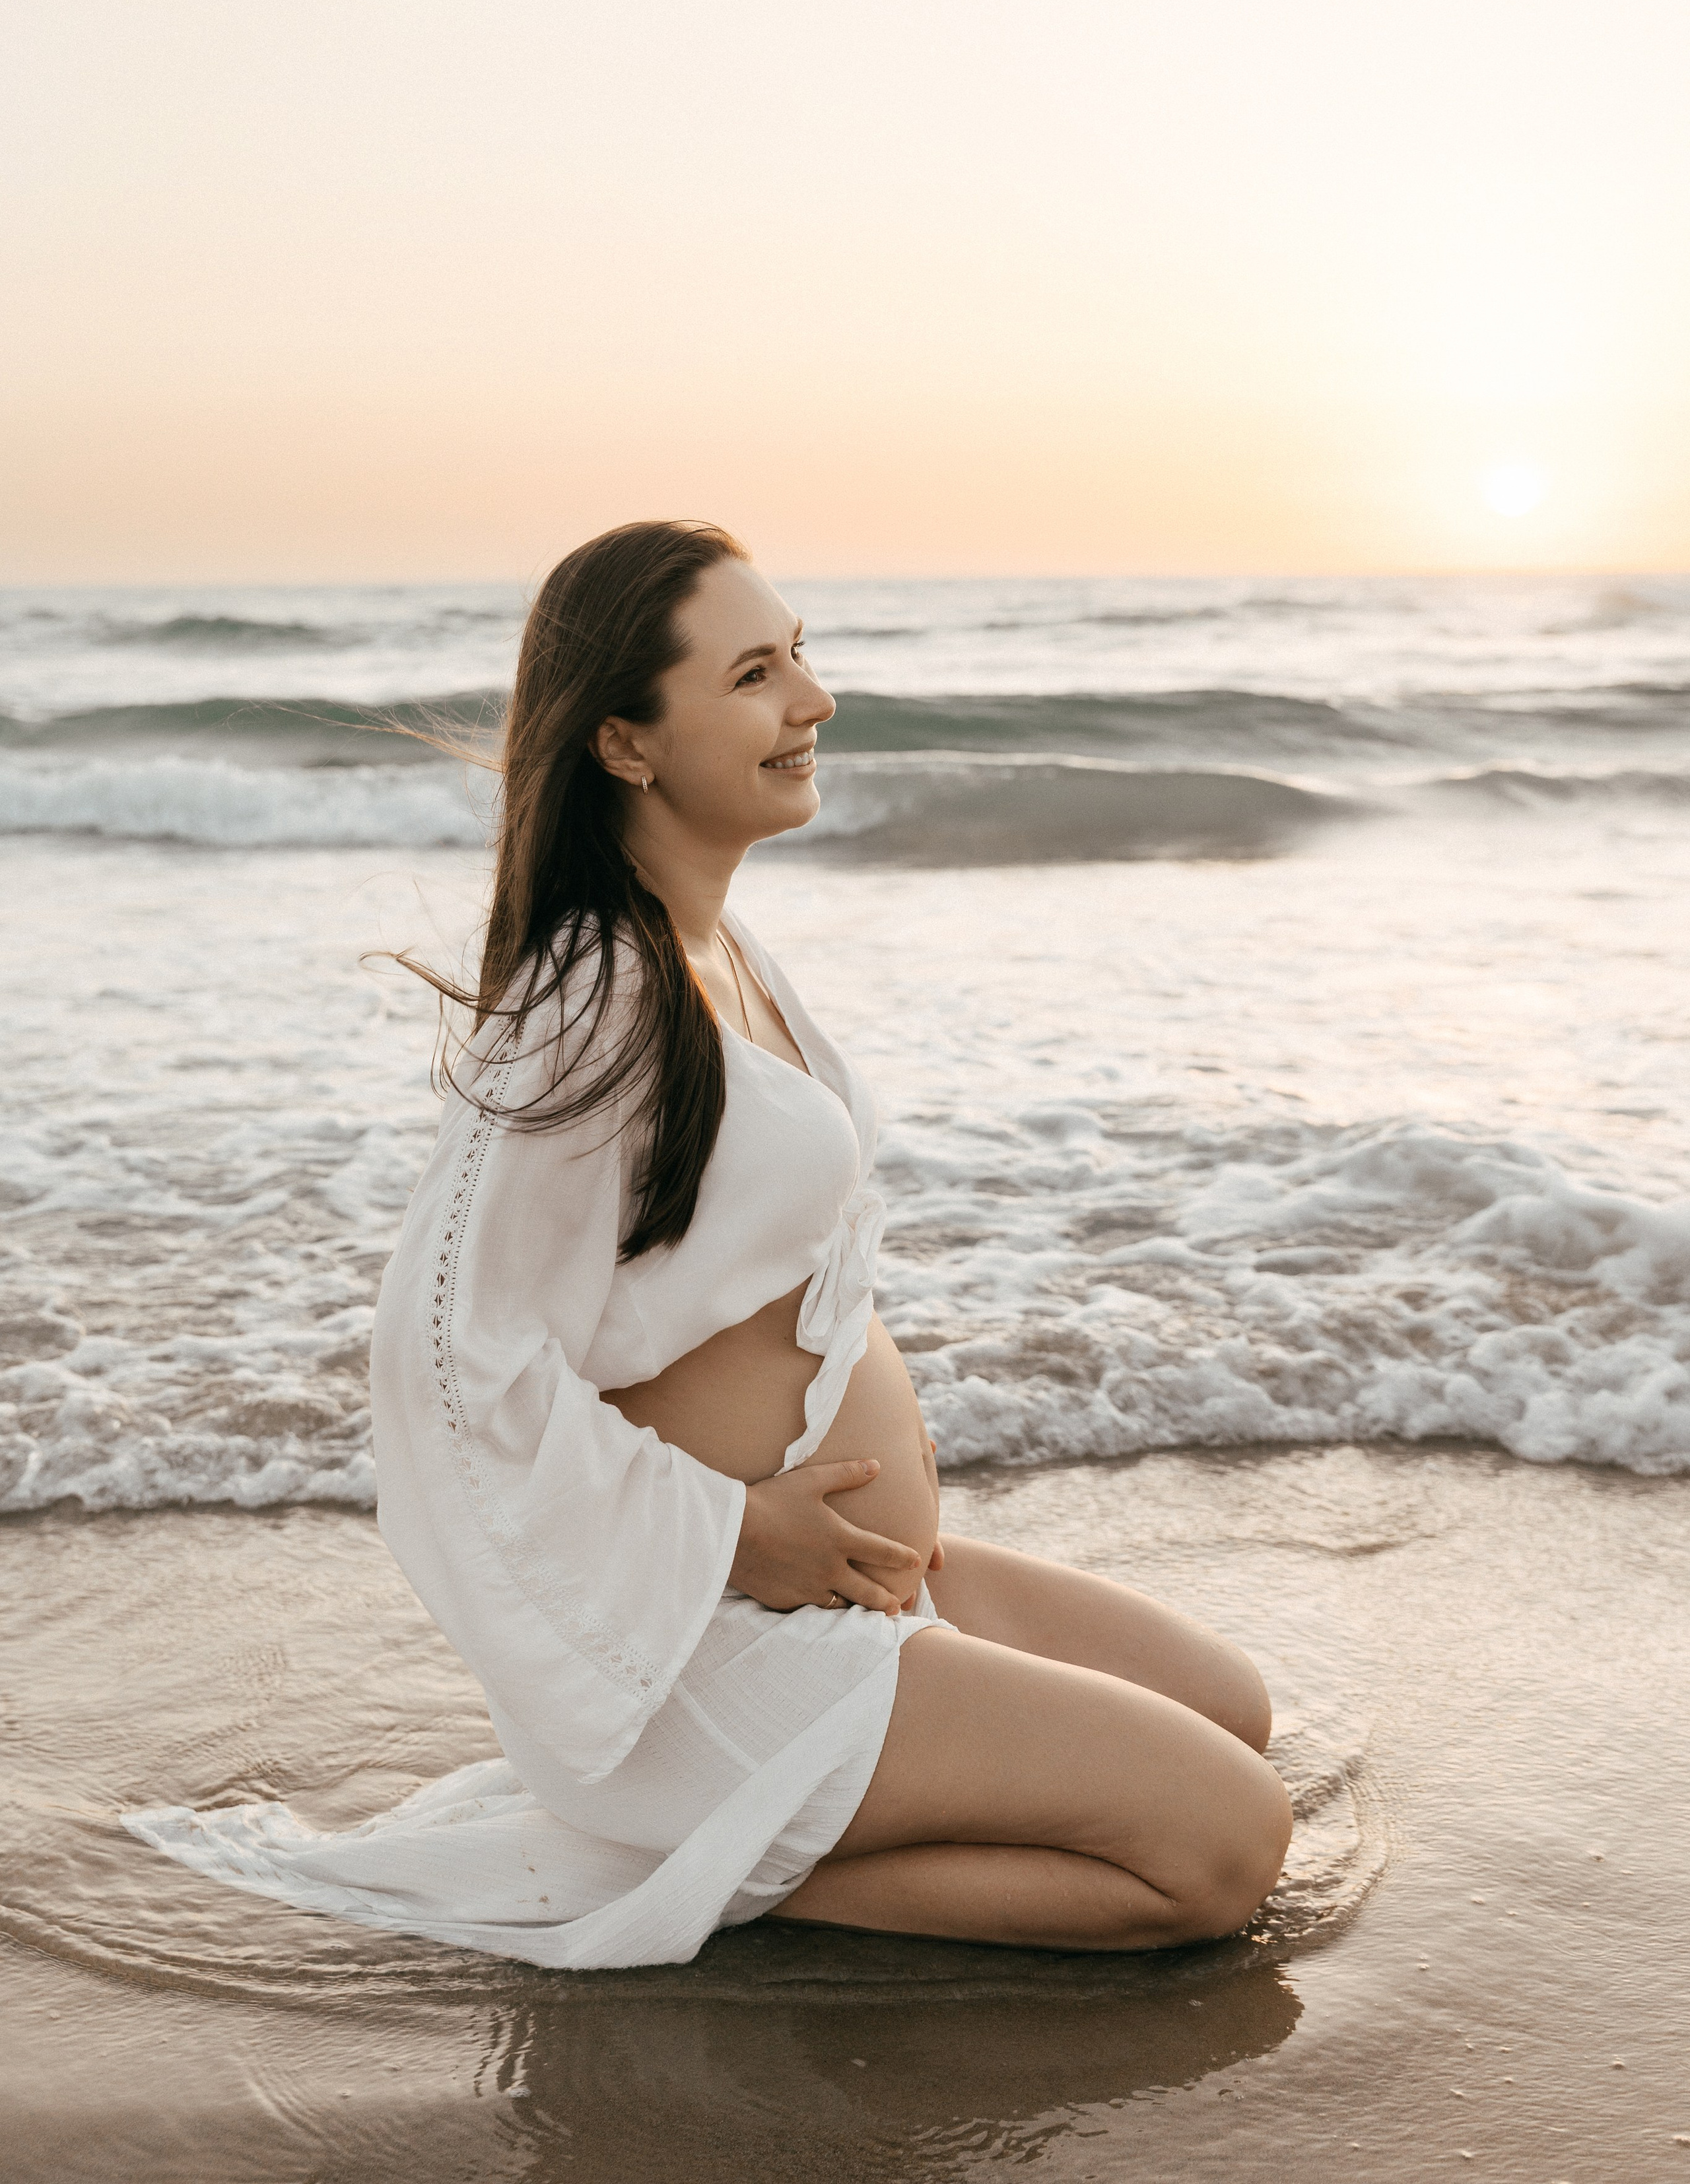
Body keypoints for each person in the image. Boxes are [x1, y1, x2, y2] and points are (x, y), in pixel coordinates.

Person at [125, 520, 1291, 1968]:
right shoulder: (592, 1005)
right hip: (706, 1638)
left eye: (798, 652)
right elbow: (443, 1359)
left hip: (844, 1577)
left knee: (1228, 1710)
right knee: (1221, 1844)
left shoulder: (712, 946)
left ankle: (783, 1799)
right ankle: (715, 1862)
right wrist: (738, 1535)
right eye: (752, 672)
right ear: (625, 740)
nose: (812, 700)